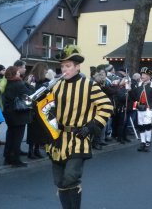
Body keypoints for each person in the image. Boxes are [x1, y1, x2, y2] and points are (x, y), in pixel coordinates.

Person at [48, 45, 113, 208]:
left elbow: (106, 106)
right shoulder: (56, 85)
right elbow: (48, 108)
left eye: (68, 66)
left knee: (71, 177)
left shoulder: (89, 85)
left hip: (78, 137)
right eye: (62, 66)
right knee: (59, 180)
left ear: (77, 67)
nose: (64, 69)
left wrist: (92, 126)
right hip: (58, 138)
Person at [3, 66, 35, 167]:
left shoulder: (8, 82)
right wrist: (28, 83)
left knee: (10, 137)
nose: (19, 73)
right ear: (15, 74)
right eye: (17, 72)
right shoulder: (19, 83)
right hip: (19, 115)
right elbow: (30, 94)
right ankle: (15, 160)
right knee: (17, 138)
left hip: (9, 114)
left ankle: (8, 157)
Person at [132, 67, 152, 152]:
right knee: (141, 126)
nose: (142, 76)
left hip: (149, 108)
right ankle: (142, 142)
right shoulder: (138, 85)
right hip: (140, 108)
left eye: (144, 74)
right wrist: (129, 89)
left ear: (149, 76)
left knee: (147, 125)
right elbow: (134, 97)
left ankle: (148, 142)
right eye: (142, 74)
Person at [26, 62, 50, 159]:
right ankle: (30, 151)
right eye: (45, 69)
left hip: (42, 107)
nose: (46, 71)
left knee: (40, 131)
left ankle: (36, 149)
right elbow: (29, 92)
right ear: (41, 69)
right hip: (33, 108)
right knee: (32, 131)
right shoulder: (32, 79)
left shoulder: (46, 80)